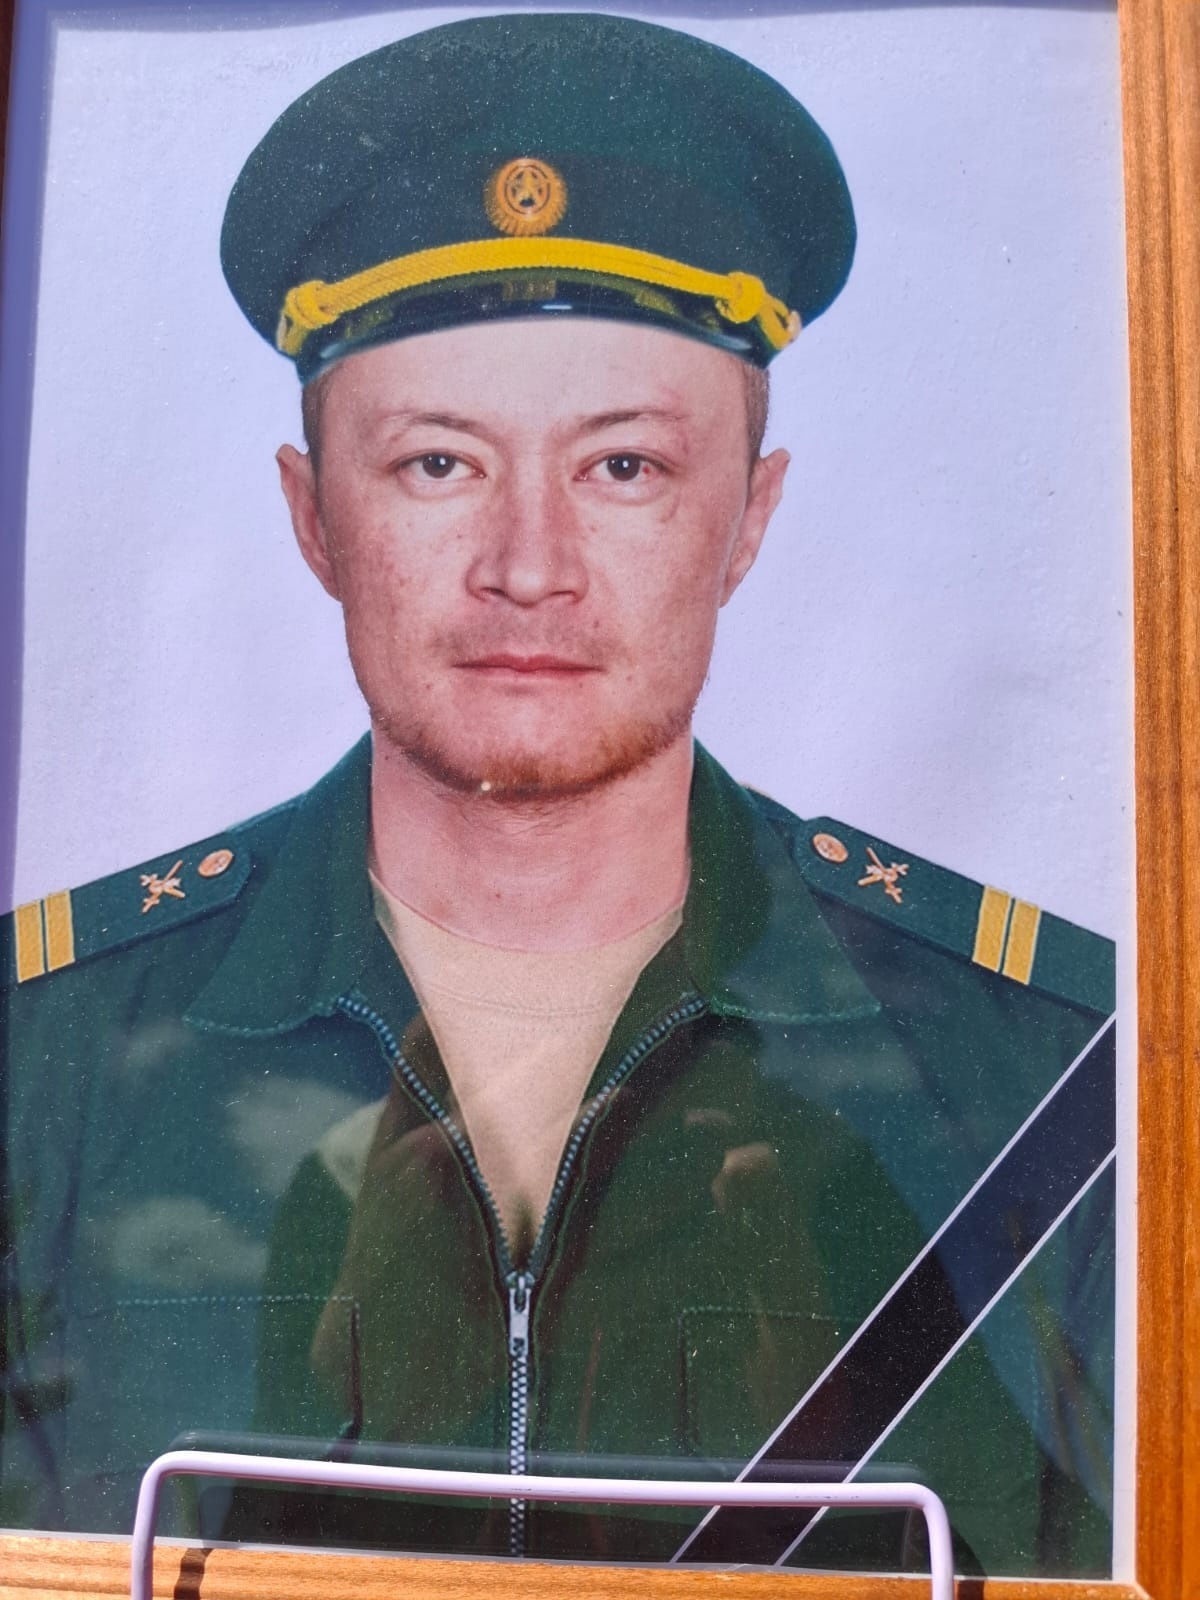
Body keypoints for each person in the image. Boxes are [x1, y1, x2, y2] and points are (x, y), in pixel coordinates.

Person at [1, 11, 1115, 1579]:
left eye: (624, 467)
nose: (530, 567)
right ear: (314, 517)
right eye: (439, 464)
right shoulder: (41, 1062)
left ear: (750, 516)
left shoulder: (1054, 1078)